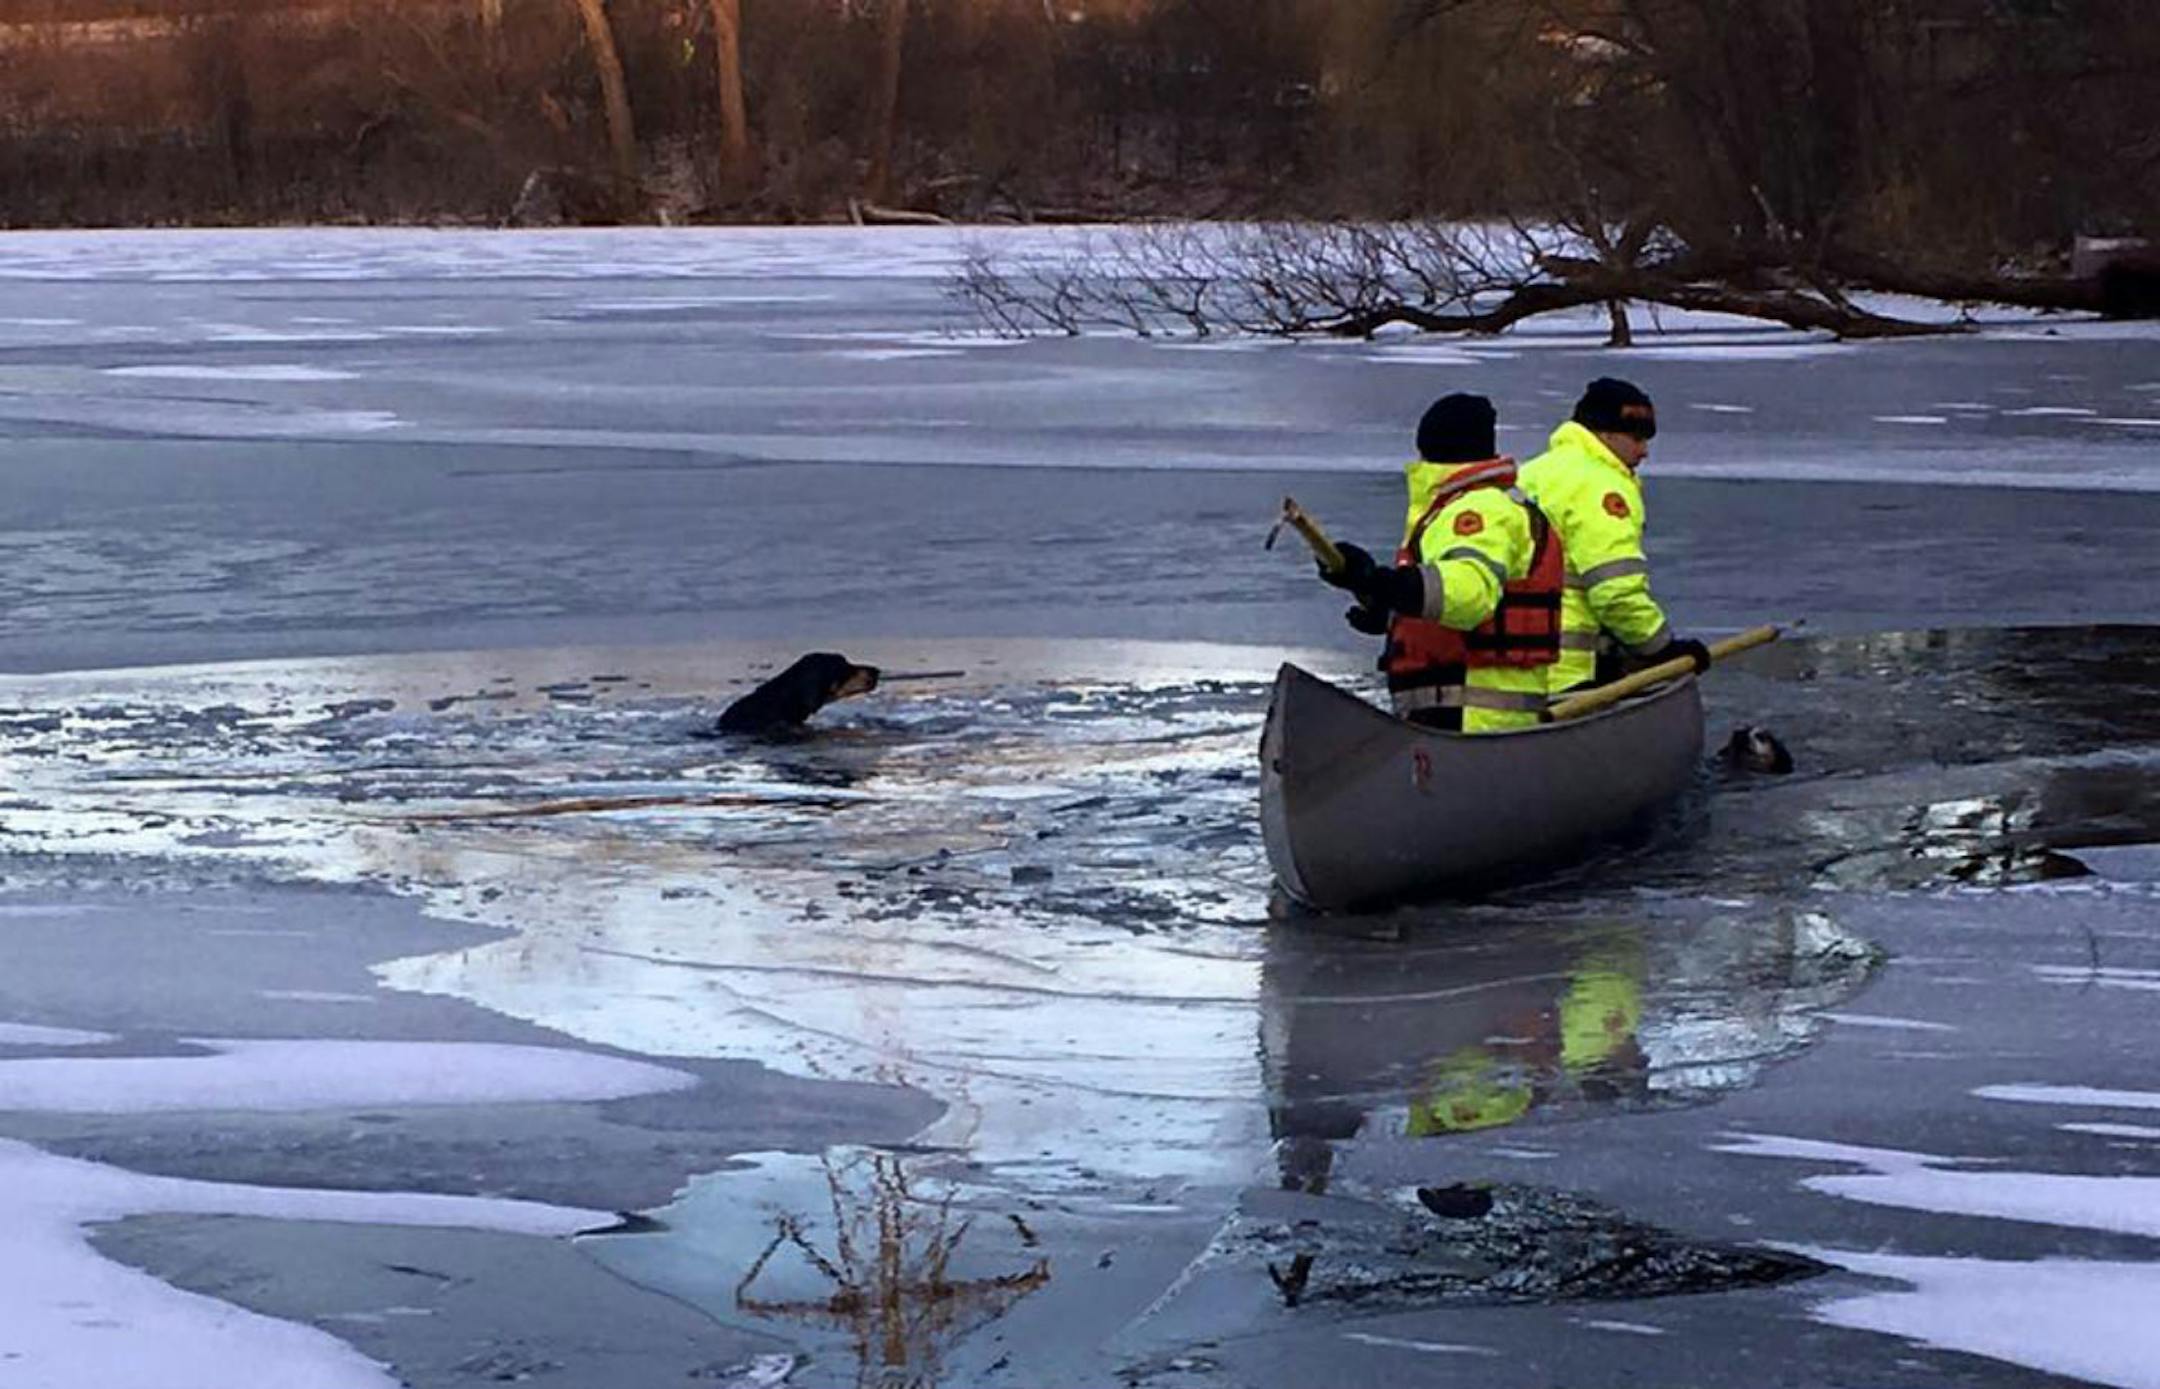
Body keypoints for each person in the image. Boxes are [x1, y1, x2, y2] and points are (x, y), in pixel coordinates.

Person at [1321, 393, 1564, 732]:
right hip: (1452, 715)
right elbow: (1442, 603)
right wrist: (1379, 601)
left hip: (1474, 722)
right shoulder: (1461, 507)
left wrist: (1381, 582)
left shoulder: (1478, 510)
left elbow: (1469, 594)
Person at [1517, 378, 1710, 693]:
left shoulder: (1533, 472)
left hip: (1510, 665)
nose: (1644, 450)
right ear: (1604, 433)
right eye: (1636, 437)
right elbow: (1615, 591)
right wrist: (1660, 647)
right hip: (1567, 670)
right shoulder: (1601, 485)